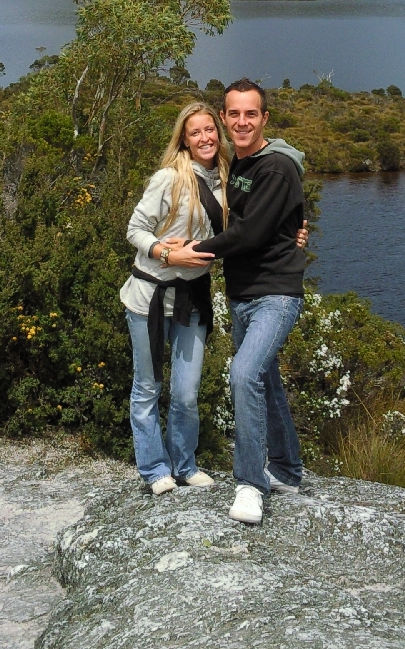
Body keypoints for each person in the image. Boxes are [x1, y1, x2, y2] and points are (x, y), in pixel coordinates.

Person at [165, 78, 307, 526]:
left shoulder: (276, 167)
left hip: (276, 294)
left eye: (251, 114)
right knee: (265, 380)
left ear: (264, 118)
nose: (242, 121)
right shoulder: (238, 164)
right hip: (243, 295)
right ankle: (286, 469)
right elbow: (231, 211)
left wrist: (193, 251)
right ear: (224, 120)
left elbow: (249, 232)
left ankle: (251, 483)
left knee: (244, 372)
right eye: (234, 114)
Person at [120, 102, 227, 495]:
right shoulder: (168, 178)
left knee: (186, 392)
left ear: (219, 132)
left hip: (194, 297)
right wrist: (168, 253)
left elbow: (246, 229)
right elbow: (135, 228)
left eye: (210, 130)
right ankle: (154, 469)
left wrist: (294, 233)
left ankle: (184, 463)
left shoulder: (227, 179)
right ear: (184, 138)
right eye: (195, 132)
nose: (205, 138)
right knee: (147, 386)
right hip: (149, 296)